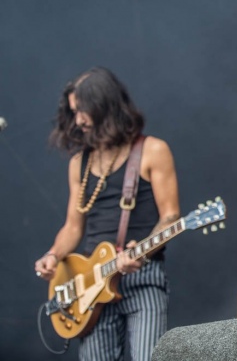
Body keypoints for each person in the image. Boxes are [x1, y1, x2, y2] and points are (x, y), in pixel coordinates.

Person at [34, 67, 180, 361]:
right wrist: (53, 254)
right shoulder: (79, 163)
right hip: (91, 280)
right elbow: (73, 227)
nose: (79, 121)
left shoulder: (152, 150)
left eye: (84, 111)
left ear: (105, 106)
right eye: (74, 112)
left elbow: (171, 217)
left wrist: (141, 252)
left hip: (141, 276)